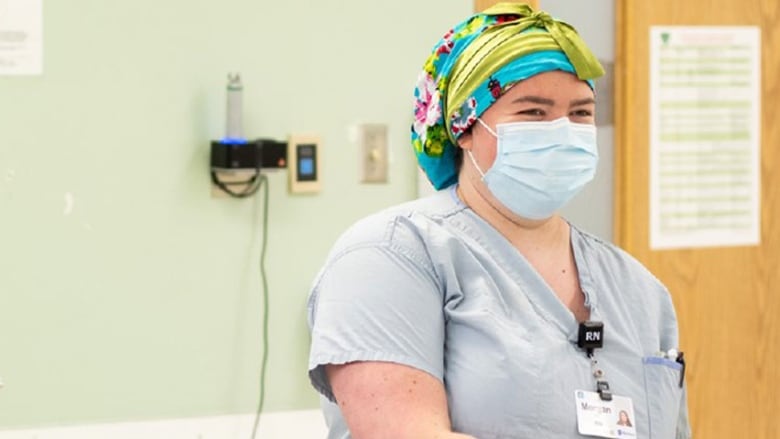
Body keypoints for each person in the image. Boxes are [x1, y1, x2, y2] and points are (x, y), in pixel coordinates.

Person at [307, 3, 691, 438]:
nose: (563, 130)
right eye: (533, 112)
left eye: (581, 113)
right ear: (465, 127)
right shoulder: (392, 256)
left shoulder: (638, 289)